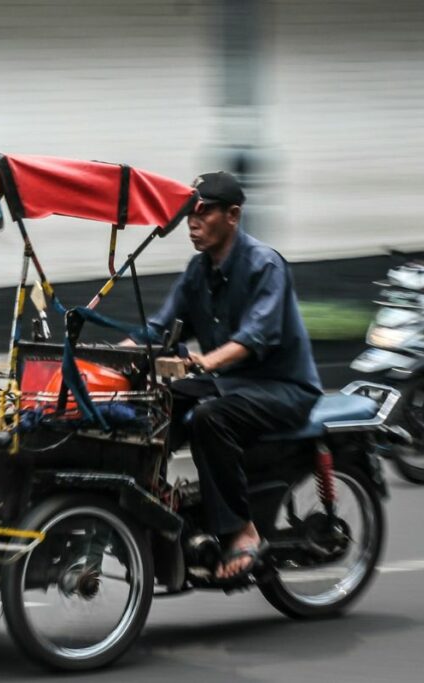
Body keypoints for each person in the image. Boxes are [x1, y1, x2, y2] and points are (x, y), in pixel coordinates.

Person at [132, 171, 322, 580]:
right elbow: (160, 330)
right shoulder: (198, 271)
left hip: (283, 388)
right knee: (154, 407)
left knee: (209, 417)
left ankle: (242, 530)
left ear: (233, 216)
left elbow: (257, 337)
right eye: (189, 215)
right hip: (233, 384)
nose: (192, 224)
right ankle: (155, 499)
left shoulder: (265, 265)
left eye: (203, 213)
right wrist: (111, 357)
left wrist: (206, 361)